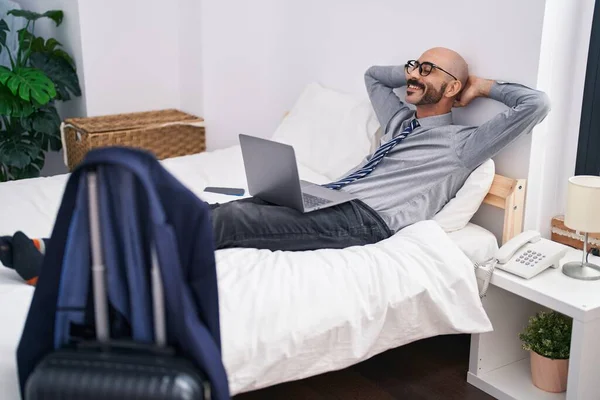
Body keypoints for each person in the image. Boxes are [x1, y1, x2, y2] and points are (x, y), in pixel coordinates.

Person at [0, 47, 550, 284]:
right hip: (326, 199)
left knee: (229, 221)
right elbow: (370, 76)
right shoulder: (399, 121)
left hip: (364, 220)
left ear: (454, 88)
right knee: (204, 206)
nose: (413, 74)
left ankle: (62, 262)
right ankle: (71, 244)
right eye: (414, 62)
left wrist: (479, 85)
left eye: (429, 70)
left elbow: (536, 105)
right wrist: (418, 70)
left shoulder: (464, 144)